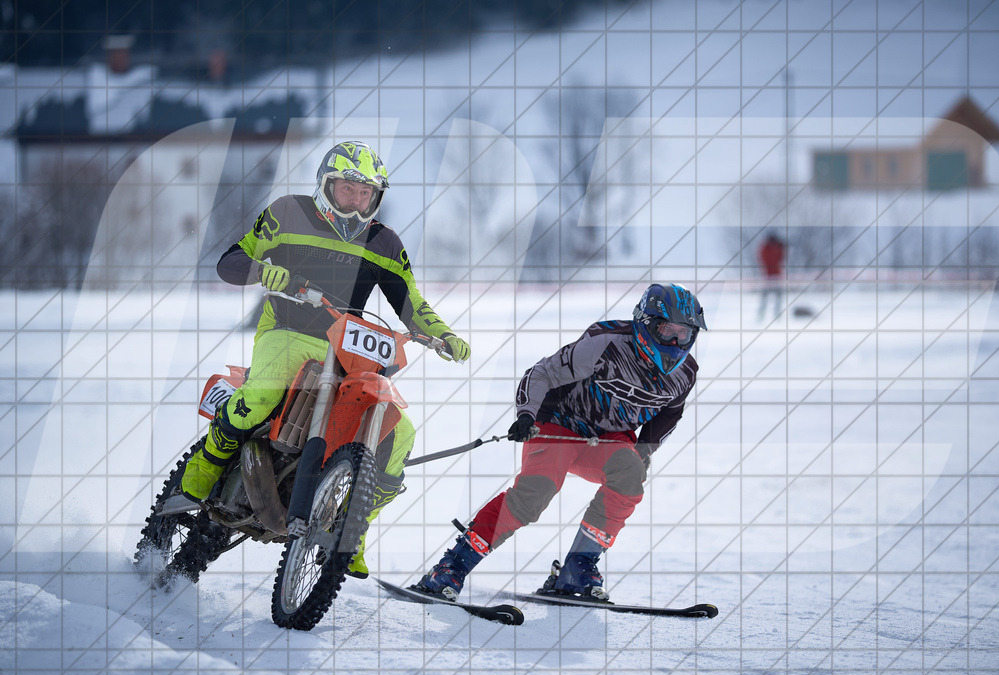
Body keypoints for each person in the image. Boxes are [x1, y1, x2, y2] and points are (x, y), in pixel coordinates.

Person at [179, 141, 470, 578]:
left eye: (365, 194)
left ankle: (350, 532)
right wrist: (264, 271)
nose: (356, 201)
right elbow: (231, 261)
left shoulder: (384, 242)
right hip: (286, 331)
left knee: (399, 433)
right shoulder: (288, 212)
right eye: (348, 189)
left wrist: (441, 333)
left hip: (348, 349)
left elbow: (409, 301)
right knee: (262, 396)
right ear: (326, 185)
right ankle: (206, 463)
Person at [413, 283, 705, 602]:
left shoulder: (685, 374)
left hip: (607, 438)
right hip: (558, 425)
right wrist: (526, 415)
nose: (676, 342)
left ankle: (578, 568)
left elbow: (668, 415)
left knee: (631, 477)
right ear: (647, 324)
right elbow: (540, 374)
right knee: (533, 496)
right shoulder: (605, 343)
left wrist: (643, 452)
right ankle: (452, 566)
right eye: (668, 331)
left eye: (685, 334)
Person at [757, 232, 786, 321]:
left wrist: (781, 247)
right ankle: (761, 317)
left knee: (778, 299)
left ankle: (777, 317)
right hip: (767, 277)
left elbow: (781, 258)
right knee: (764, 299)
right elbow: (766, 259)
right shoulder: (766, 249)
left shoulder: (777, 248)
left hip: (776, 277)